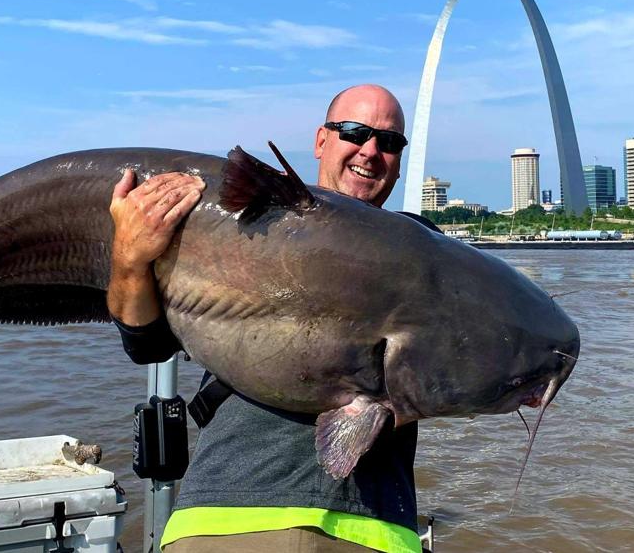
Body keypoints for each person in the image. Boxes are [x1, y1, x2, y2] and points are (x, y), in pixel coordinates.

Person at [107, 85, 440, 553]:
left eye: (389, 142)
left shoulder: (422, 248)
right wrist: (129, 259)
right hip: (224, 516)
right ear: (321, 140)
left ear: (400, 160)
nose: (370, 151)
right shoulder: (240, 223)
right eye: (354, 132)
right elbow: (147, 344)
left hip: (371, 527)